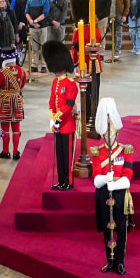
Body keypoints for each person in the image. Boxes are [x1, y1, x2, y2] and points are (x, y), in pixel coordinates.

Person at [90, 98, 133, 275]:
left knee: (121, 229)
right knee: (107, 231)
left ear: (117, 134)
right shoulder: (97, 152)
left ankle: (120, 261)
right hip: (103, 194)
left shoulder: (125, 151)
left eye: (112, 135)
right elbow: (95, 178)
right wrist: (104, 179)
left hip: (120, 194)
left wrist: (113, 183)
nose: (109, 138)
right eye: (106, 135)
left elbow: (128, 176)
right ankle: (109, 261)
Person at [42, 41, 78, 191]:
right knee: (60, 155)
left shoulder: (71, 84)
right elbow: (52, 101)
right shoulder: (55, 82)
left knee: (67, 156)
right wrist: (53, 118)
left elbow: (68, 106)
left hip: (67, 124)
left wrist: (57, 119)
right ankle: (61, 180)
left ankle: (68, 182)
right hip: (58, 124)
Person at [0, 48, 27, 160]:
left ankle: (5, 151)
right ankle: (16, 152)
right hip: (17, 100)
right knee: (16, 127)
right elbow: (22, 85)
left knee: (4, 128)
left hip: (4, 100)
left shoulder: (1, 72)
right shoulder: (21, 70)